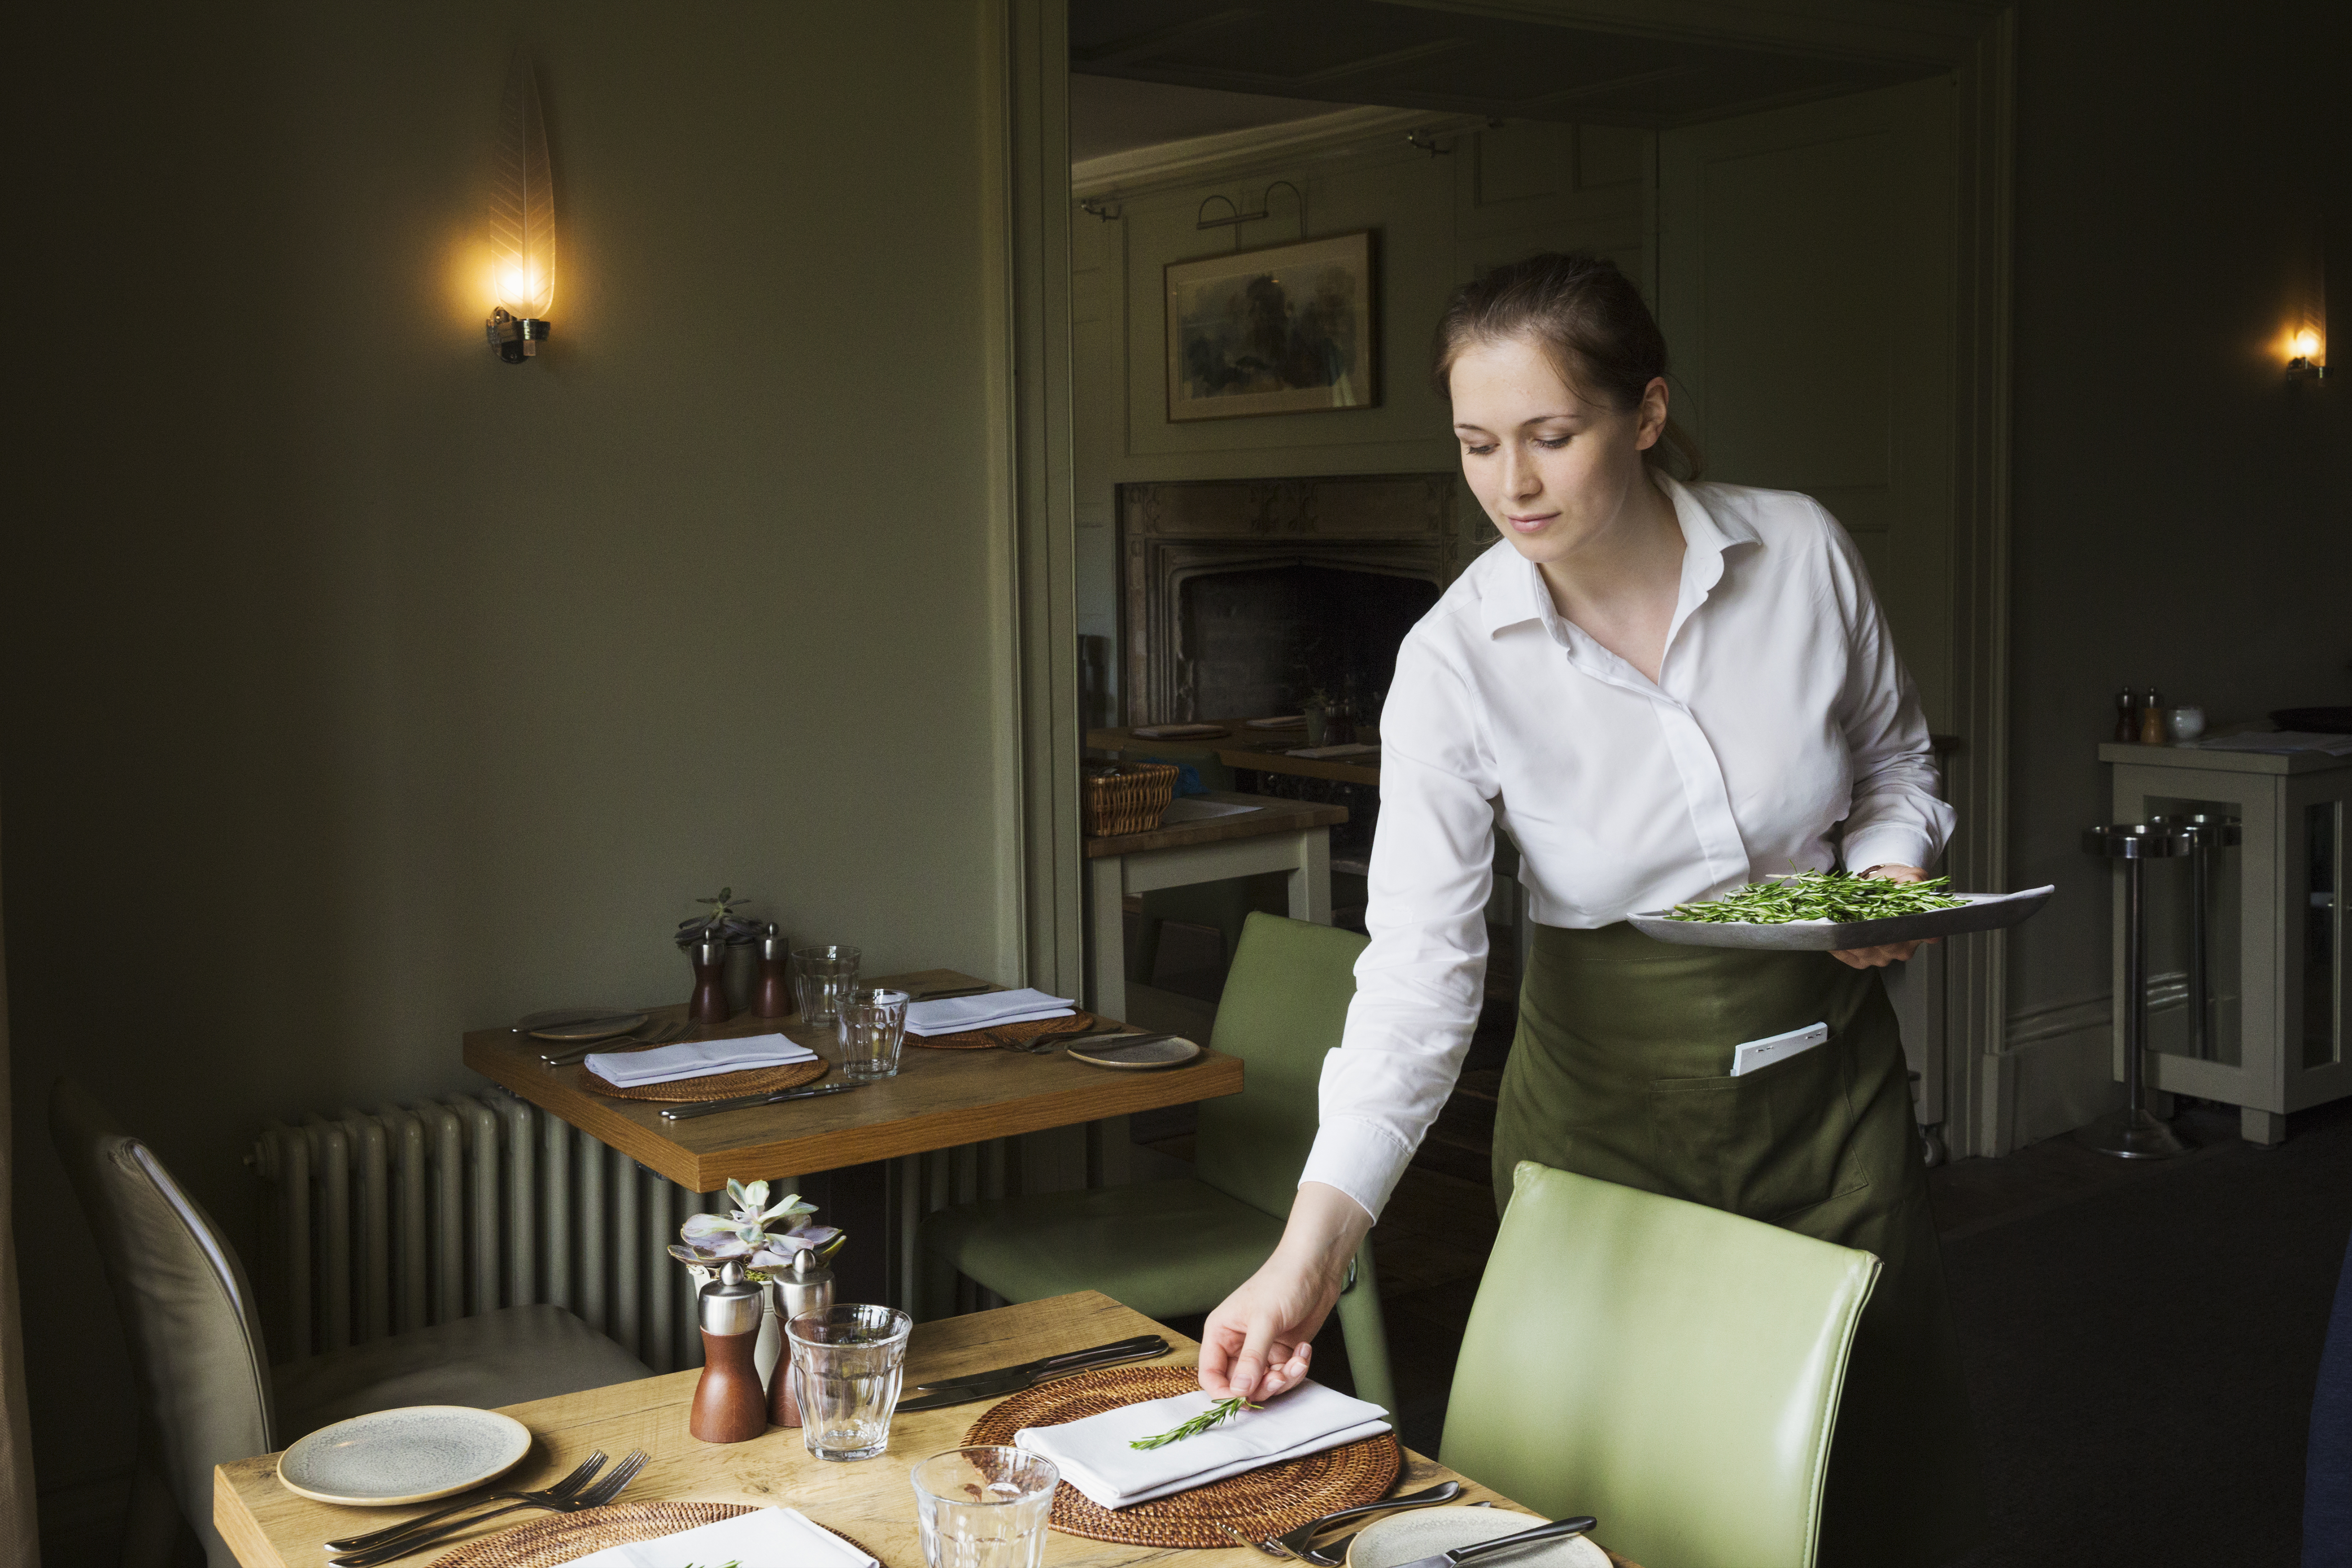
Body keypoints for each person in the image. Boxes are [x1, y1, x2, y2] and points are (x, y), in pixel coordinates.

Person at [1196, 252, 1980, 1565]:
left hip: (1832, 1109)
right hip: (1603, 1132)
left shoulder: (1801, 551)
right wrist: (1310, 1250)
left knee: (1854, 1481)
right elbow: (1417, 979)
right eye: (1478, 444)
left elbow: (1897, 761)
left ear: (1649, 413)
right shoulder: (1451, 661)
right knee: (1608, 1502)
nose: (1513, 484)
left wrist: (1889, 868)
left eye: (1553, 437)